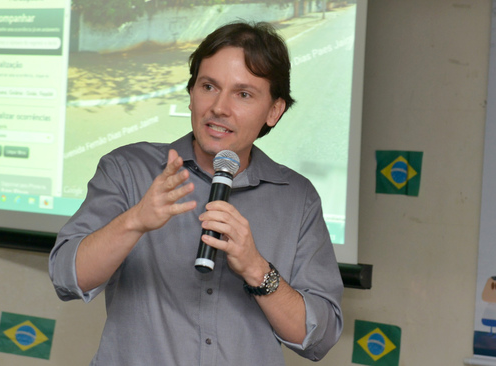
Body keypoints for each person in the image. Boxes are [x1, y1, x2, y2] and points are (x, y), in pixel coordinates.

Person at [49, 21, 343, 365]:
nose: (219, 107)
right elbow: (66, 278)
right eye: (208, 86)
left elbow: (319, 339)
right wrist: (135, 221)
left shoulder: (297, 198)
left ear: (274, 111)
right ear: (191, 94)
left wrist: (256, 268)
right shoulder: (128, 169)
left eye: (243, 94)